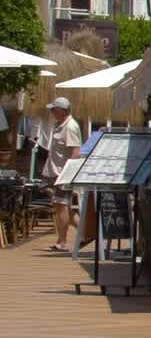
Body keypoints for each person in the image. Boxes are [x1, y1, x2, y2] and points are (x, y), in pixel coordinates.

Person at [43, 97, 82, 251]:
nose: (51, 112)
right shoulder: (60, 125)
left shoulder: (70, 126)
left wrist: (67, 174)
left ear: (61, 110)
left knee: (62, 207)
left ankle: (62, 241)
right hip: (56, 173)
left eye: (53, 109)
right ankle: (88, 233)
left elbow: (76, 151)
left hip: (63, 174)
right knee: (64, 207)